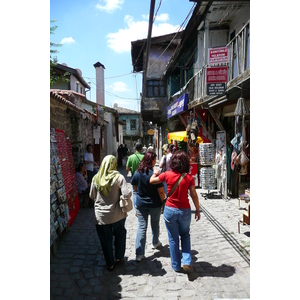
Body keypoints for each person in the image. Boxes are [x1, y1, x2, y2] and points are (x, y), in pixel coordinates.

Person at [150, 151, 201, 273]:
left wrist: (155, 173)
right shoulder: (188, 177)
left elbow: (152, 181)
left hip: (170, 210)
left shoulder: (167, 175)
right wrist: (198, 209)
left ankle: (176, 265)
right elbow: (194, 195)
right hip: (184, 211)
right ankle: (187, 261)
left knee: (173, 238)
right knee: (185, 235)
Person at [89, 155, 131, 271]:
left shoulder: (96, 178)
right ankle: (119, 257)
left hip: (101, 217)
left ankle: (110, 263)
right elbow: (126, 194)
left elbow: (92, 196)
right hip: (117, 215)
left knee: (105, 240)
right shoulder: (119, 177)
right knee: (120, 234)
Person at [131, 152, 166, 261]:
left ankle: (139, 254)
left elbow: (134, 187)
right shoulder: (154, 175)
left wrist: (137, 201)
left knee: (142, 227)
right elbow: (161, 191)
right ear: (151, 160)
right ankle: (155, 242)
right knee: (155, 224)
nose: (156, 162)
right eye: (155, 160)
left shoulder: (138, 173)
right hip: (154, 204)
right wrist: (164, 202)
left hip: (141, 204)